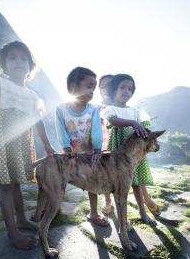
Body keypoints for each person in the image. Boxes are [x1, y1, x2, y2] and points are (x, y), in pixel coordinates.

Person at [0, 41, 56, 249]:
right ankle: (12, 233)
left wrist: (47, 144)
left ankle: (21, 219)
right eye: (12, 57)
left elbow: (37, 121)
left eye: (23, 58)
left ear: (31, 66)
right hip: (3, 142)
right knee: (6, 186)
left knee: (17, 184)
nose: (18, 61)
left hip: (21, 145)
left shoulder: (32, 96)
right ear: (3, 64)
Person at [100, 74, 161, 226]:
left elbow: (145, 129)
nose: (127, 91)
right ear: (113, 90)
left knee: (136, 182)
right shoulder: (110, 109)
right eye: (122, 87)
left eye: (130, 89)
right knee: (119, 184)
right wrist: (132, 123)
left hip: (136, 152)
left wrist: (152, 137)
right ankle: (122, 218)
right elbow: (113, 121)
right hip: (119, 149)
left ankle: (142, 212)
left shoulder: (136, 111)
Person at [55, 66, 110, 226]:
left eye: (93, 88)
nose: (92, 91)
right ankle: (49, 208)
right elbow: (61, 130)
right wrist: (66, 150)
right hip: (71, 154)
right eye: (88, 86)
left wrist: (97, 151)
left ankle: (93, 213)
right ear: (73, 86)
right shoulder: (61, 108)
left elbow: (96, 130)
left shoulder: (93, 109)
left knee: (92, 182)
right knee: (60, 181)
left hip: (90, 154)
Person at [97, 74, 115, 214]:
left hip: (118, 147)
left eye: (110, 85)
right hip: (103, 146)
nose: (106, 88)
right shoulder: (96, 107)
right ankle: (107, 199)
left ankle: (119, 199)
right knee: (104, 175)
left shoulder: (119, 107)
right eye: (103, 86)